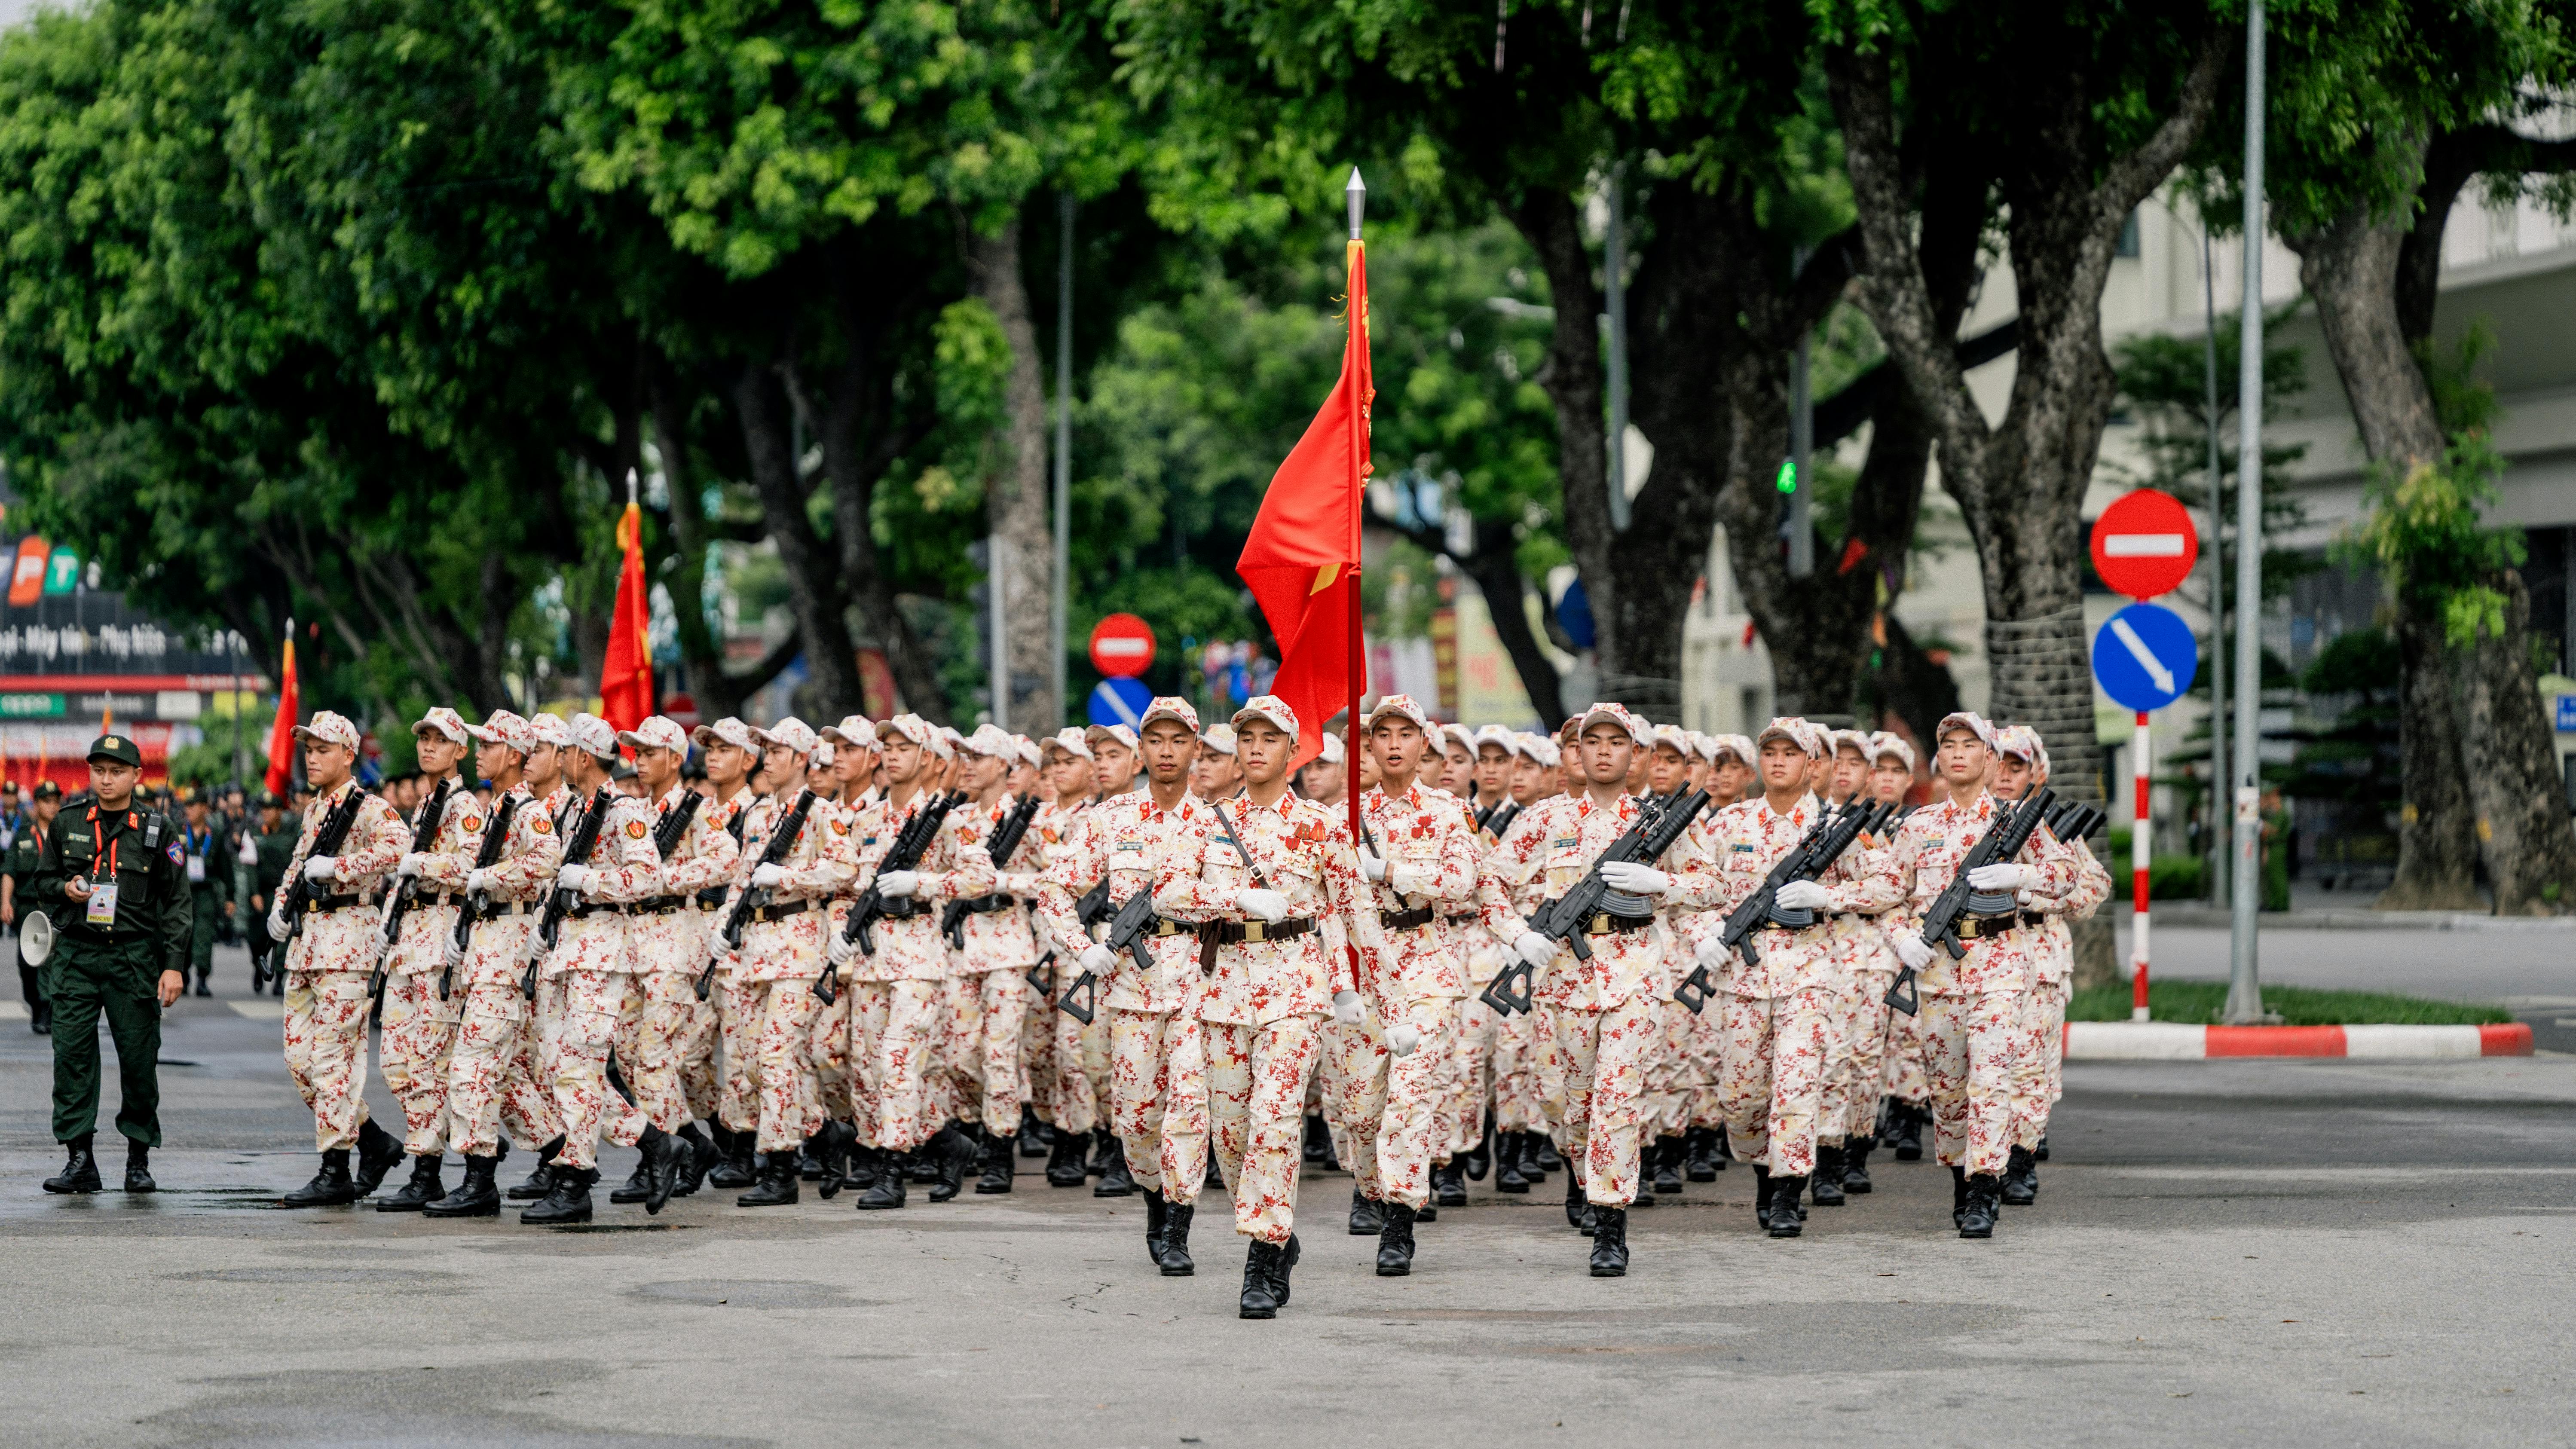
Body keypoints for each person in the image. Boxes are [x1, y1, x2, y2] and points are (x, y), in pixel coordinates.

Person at [1153, 694, 1382, 1314]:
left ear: (1292, 751)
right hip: (1221, 988)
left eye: (1268, 739)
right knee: (1230, 1136)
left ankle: (1261, 1258)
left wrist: (1374, 987)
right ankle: (1273, 1228)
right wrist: (1234, 898)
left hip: (1293, 987)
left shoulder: (1321, 823)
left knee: (1275, 1121)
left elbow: (1354, 907)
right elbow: (1168, 895)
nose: (1255, 748)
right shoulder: (1204, 821)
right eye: (1246, 737)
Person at [1480, 703, 1715, 1275]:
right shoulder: (1545, 818)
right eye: (1594, 741)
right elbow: (1488, 880)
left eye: (1618, 741)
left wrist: (1663, 882)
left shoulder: (1661, 820)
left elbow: (1710, 884)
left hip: (1633, 970)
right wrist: (1517, 936)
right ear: (1578, 753)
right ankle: (1584, 1174)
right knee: (1565, 1102)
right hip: (1561, 976)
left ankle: (1609, 1225)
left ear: (1636, 754)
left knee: (1617, 1100)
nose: (1604, 750)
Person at [1845, 712, 2080, 1238]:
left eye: (1969, 745)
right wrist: (1902, 937)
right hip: (1938, 976)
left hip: (2000, 964)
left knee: (1991, 1082)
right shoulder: (1918, 826)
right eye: (1948, 744)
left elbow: (2068, 876)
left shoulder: (2016, 820)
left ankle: (1983, 1187)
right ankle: (1960, 1175)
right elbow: (1887, 892)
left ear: (1991, 759)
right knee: (1948, 1090)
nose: (1957, 754)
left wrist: (2024, 875)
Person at [1033, 699, 1207, 1246]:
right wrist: (1083, 948)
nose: (1167, 751)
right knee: (1136, 1121)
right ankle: (1155, 1196)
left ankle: (1177, 1226)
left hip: (1200, 987)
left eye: (1179, 741)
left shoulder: (1218, 821)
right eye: (1156, 740)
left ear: (1196, 750)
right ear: (1142, 750)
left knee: (1188, 1112)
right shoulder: (1109, 820)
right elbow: (1054, 889)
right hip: (1130, 988)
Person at [1339, 694, 1477, 1274]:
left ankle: (1398, 1224)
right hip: (1366, 972)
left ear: (1424, 746)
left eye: (1405, 734)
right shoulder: (1344, 817)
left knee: (1408, 1102)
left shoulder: (1448, 812)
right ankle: (1374, 1189)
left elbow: (1463, 881)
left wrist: (1393, 871)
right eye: (1382, 734)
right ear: (1369, 746)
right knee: (1362, 1111)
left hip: (1425, 965)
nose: (1394, 744)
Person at [522, 713, 670, 1224]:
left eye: (564, 751)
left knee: (579, 1068)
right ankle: (655, 1146)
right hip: (568, 949)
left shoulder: (623, 808)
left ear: (583, 756)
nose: (558, 758)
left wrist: (590, 881)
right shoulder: (579, 809)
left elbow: (648, 877)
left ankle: (575, 1179)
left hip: (603, 952)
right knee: (564, 1068)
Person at [33, 735, 191, 1194]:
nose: (107, 779)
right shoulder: (67, 823)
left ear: (137, 776)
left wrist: (174, 964)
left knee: (139, 1061)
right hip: (77, 957)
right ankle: (79, 1159)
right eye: (99, 770)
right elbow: (43, 880)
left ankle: (138, 1159)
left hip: (134, 957)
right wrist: (67, 888)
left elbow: (178, 902)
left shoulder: (158, 830)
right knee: (73, 1058)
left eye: (117, 771)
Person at [425, 710, 566, 1218]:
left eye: (489, 745)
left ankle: (479, 1179)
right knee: (502, 1078)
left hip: (508, 950)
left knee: (472, 1069)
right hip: (489, 946)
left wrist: (492, 878)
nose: (480, 751)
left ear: (513, 755)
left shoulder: (526, 809)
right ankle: (567, 1162)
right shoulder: (497, 805)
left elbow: (549, 858)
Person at [269, 711, 413, 1207]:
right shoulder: (315, 809)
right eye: (308, 749)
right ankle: (373, 1142)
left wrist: (341, 867)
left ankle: (336, 1169)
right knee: (299, 1060)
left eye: (323, 749)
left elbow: (401, 849)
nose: (312, 757)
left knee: (334, 1062)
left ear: (348, 755)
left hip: (348, 942)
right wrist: (280, 905)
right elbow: (296, 863)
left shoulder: (369, 807)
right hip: (308, 943)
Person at [6, 779, 61, 1033]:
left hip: (55, 907)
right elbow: (9, 873)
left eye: (56, 802)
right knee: (27, 963)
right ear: (36, 805)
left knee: (51, 960)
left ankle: (46, 1009)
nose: (53, 807)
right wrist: (5, 902)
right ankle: (35, 1002)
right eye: (47, 802)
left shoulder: (65, 836)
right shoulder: (23, 836)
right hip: (27, 910)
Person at [245, 791, 297, 996]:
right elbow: (250, 865)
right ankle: (259, 966)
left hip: (284, 891)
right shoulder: (254, 832)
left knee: (283, 935)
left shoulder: (291, 831)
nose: (265, 813)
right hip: (262, 891)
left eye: (270, 809)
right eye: (263, 809)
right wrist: (254, 892)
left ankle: (279, 977)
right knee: (257, 937)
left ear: (279, 811)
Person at [177, 791, 223, 997]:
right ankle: (183, 977)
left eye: (194, 805)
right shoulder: (178, 830)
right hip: (183, 892)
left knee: (204, 935)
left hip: (206, 892)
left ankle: (202, 980)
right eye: (187, 806)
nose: (189, 810)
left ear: (204, 808)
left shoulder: (216, 833)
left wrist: (230, 897)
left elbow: (226, 865)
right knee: (182, 935)